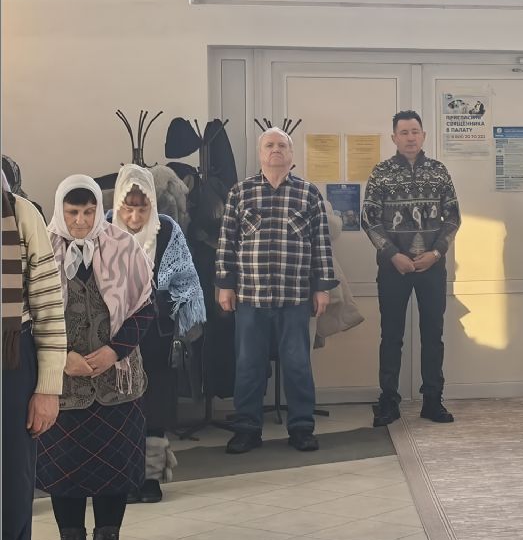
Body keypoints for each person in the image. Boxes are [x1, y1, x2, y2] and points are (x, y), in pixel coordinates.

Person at [38, 177, 155, 540]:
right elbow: (29, 315)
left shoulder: (124, 247)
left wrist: (114, 351)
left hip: (116, 383)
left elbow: (145, 308)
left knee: (114, 468)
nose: (82, 221)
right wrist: (60, 358)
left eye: (89, 212)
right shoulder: (42, 252)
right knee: (65, 469)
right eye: (73, 213)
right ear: (60, 211)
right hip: (63, 386)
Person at [216, 128, 336, 453]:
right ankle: (247, 429)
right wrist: (225, 285)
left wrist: (322, 288)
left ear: (291, 154)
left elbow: (321, 245)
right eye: (269, 145)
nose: (276, 149)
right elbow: (226, 242)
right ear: (260, 154)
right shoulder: (240, 193)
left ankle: (301, 428)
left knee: (298, 365)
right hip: (250, 297)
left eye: (282, 145)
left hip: (295, 296)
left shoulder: (308, 194)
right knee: (248, 365)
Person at [110, 166, 206, 504]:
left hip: (158, 333)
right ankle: (123, 476)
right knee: (119, 406)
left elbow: (185, 279)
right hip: (114, 336)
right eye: (128, 208)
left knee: (155, 405)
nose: (135, 217)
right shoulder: (105, 230)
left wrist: (169, 305)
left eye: (143, 208)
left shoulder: (167, 231)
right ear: (118, 205)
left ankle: (151, 476)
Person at [362, 110, 461, 426]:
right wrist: (393, 254)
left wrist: (436, 252)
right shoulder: (381, 173)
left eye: (415, 131)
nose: (410, 137)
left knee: (433, 334)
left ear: (423, 135)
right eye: (403, 132)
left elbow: (453, 217)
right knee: (391, 335)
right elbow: (369, 219)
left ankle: (432, 400)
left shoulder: (438, 171)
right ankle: (388, 401)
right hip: (394, 268)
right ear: (394, 137)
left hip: (432, 267)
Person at [2, 171, 64, 540]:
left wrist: (48, 387)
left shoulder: (21, 212)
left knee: (10, 498)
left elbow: (47, 307)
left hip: (11, 362)